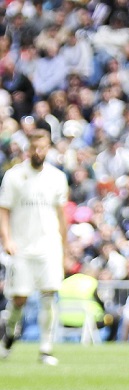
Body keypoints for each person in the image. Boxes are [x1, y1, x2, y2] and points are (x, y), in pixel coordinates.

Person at [0, 129, 68, 365]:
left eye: (43, 147)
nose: (38, 152)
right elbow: (4, 210)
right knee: (19, 298)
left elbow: (61, 214)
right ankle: (9, 335)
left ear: (48, 148)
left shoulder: (57, 177)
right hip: (22, 246)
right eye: (34, 147)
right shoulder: (14, 176)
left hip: (49, 245)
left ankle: (46, 348)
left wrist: (64, 246)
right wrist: (7, 239)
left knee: (49, 295)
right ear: (28, 149)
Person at [57, 268, 119, 342]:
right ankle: (110, 341)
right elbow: (100, 302)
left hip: (64, 319)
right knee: (113, 318)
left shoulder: (65, 282)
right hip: (87, 319)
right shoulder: (92, 282)